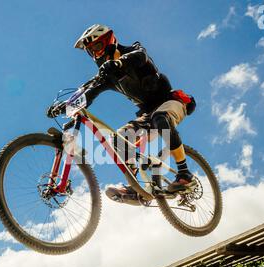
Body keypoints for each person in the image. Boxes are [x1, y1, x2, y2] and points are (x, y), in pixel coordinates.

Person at [48, 24, 197, 204]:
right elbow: (88, 95)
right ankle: (136, 188)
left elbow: (140, 56)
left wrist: (119, 62)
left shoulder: (133, 51)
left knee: (161, 118)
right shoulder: (108, 76)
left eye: (96, 47)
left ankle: (184, 174)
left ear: (109, 40)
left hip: (171, 101)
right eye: (90, 51)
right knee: (118, 140)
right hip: (146, 114)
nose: (95, 54)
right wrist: (65, 106)